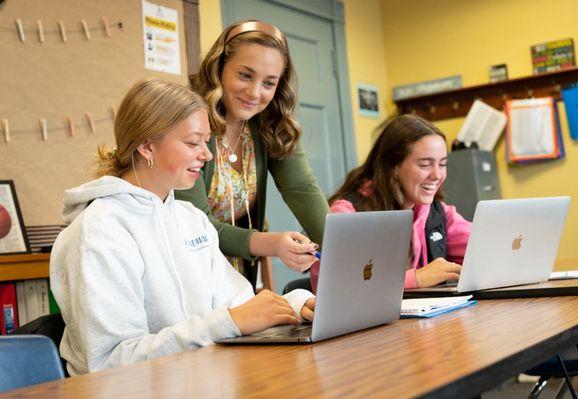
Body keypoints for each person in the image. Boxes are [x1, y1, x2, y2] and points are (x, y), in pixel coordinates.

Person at [50, 80, 315, 376]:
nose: (208, 155)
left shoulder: (191, 220)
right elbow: (109, 363)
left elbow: (240, 305)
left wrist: (294, 305)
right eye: (193, 143)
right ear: (147, 145)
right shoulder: (97, 231)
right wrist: (229, 322)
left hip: (205, 381)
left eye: (206, 141)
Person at [176, 20, 329, 287]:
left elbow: (302, 189)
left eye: (269, 83)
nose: (255, 92)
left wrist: (346, 248)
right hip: (185, 272)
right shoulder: (188, 123)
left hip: (236, 278)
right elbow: (195, 227)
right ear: (219, 68)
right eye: (245, 75)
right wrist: (269, 243)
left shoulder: (269, 124)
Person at [310, 114, 471, 291]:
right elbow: (337, 286)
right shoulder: (346, 213)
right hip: (369, 319)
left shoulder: (439, 212)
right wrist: (416, 278)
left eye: (442, 164)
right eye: (425, 165)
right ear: (394, 166)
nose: (437, 175)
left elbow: (484, 247)